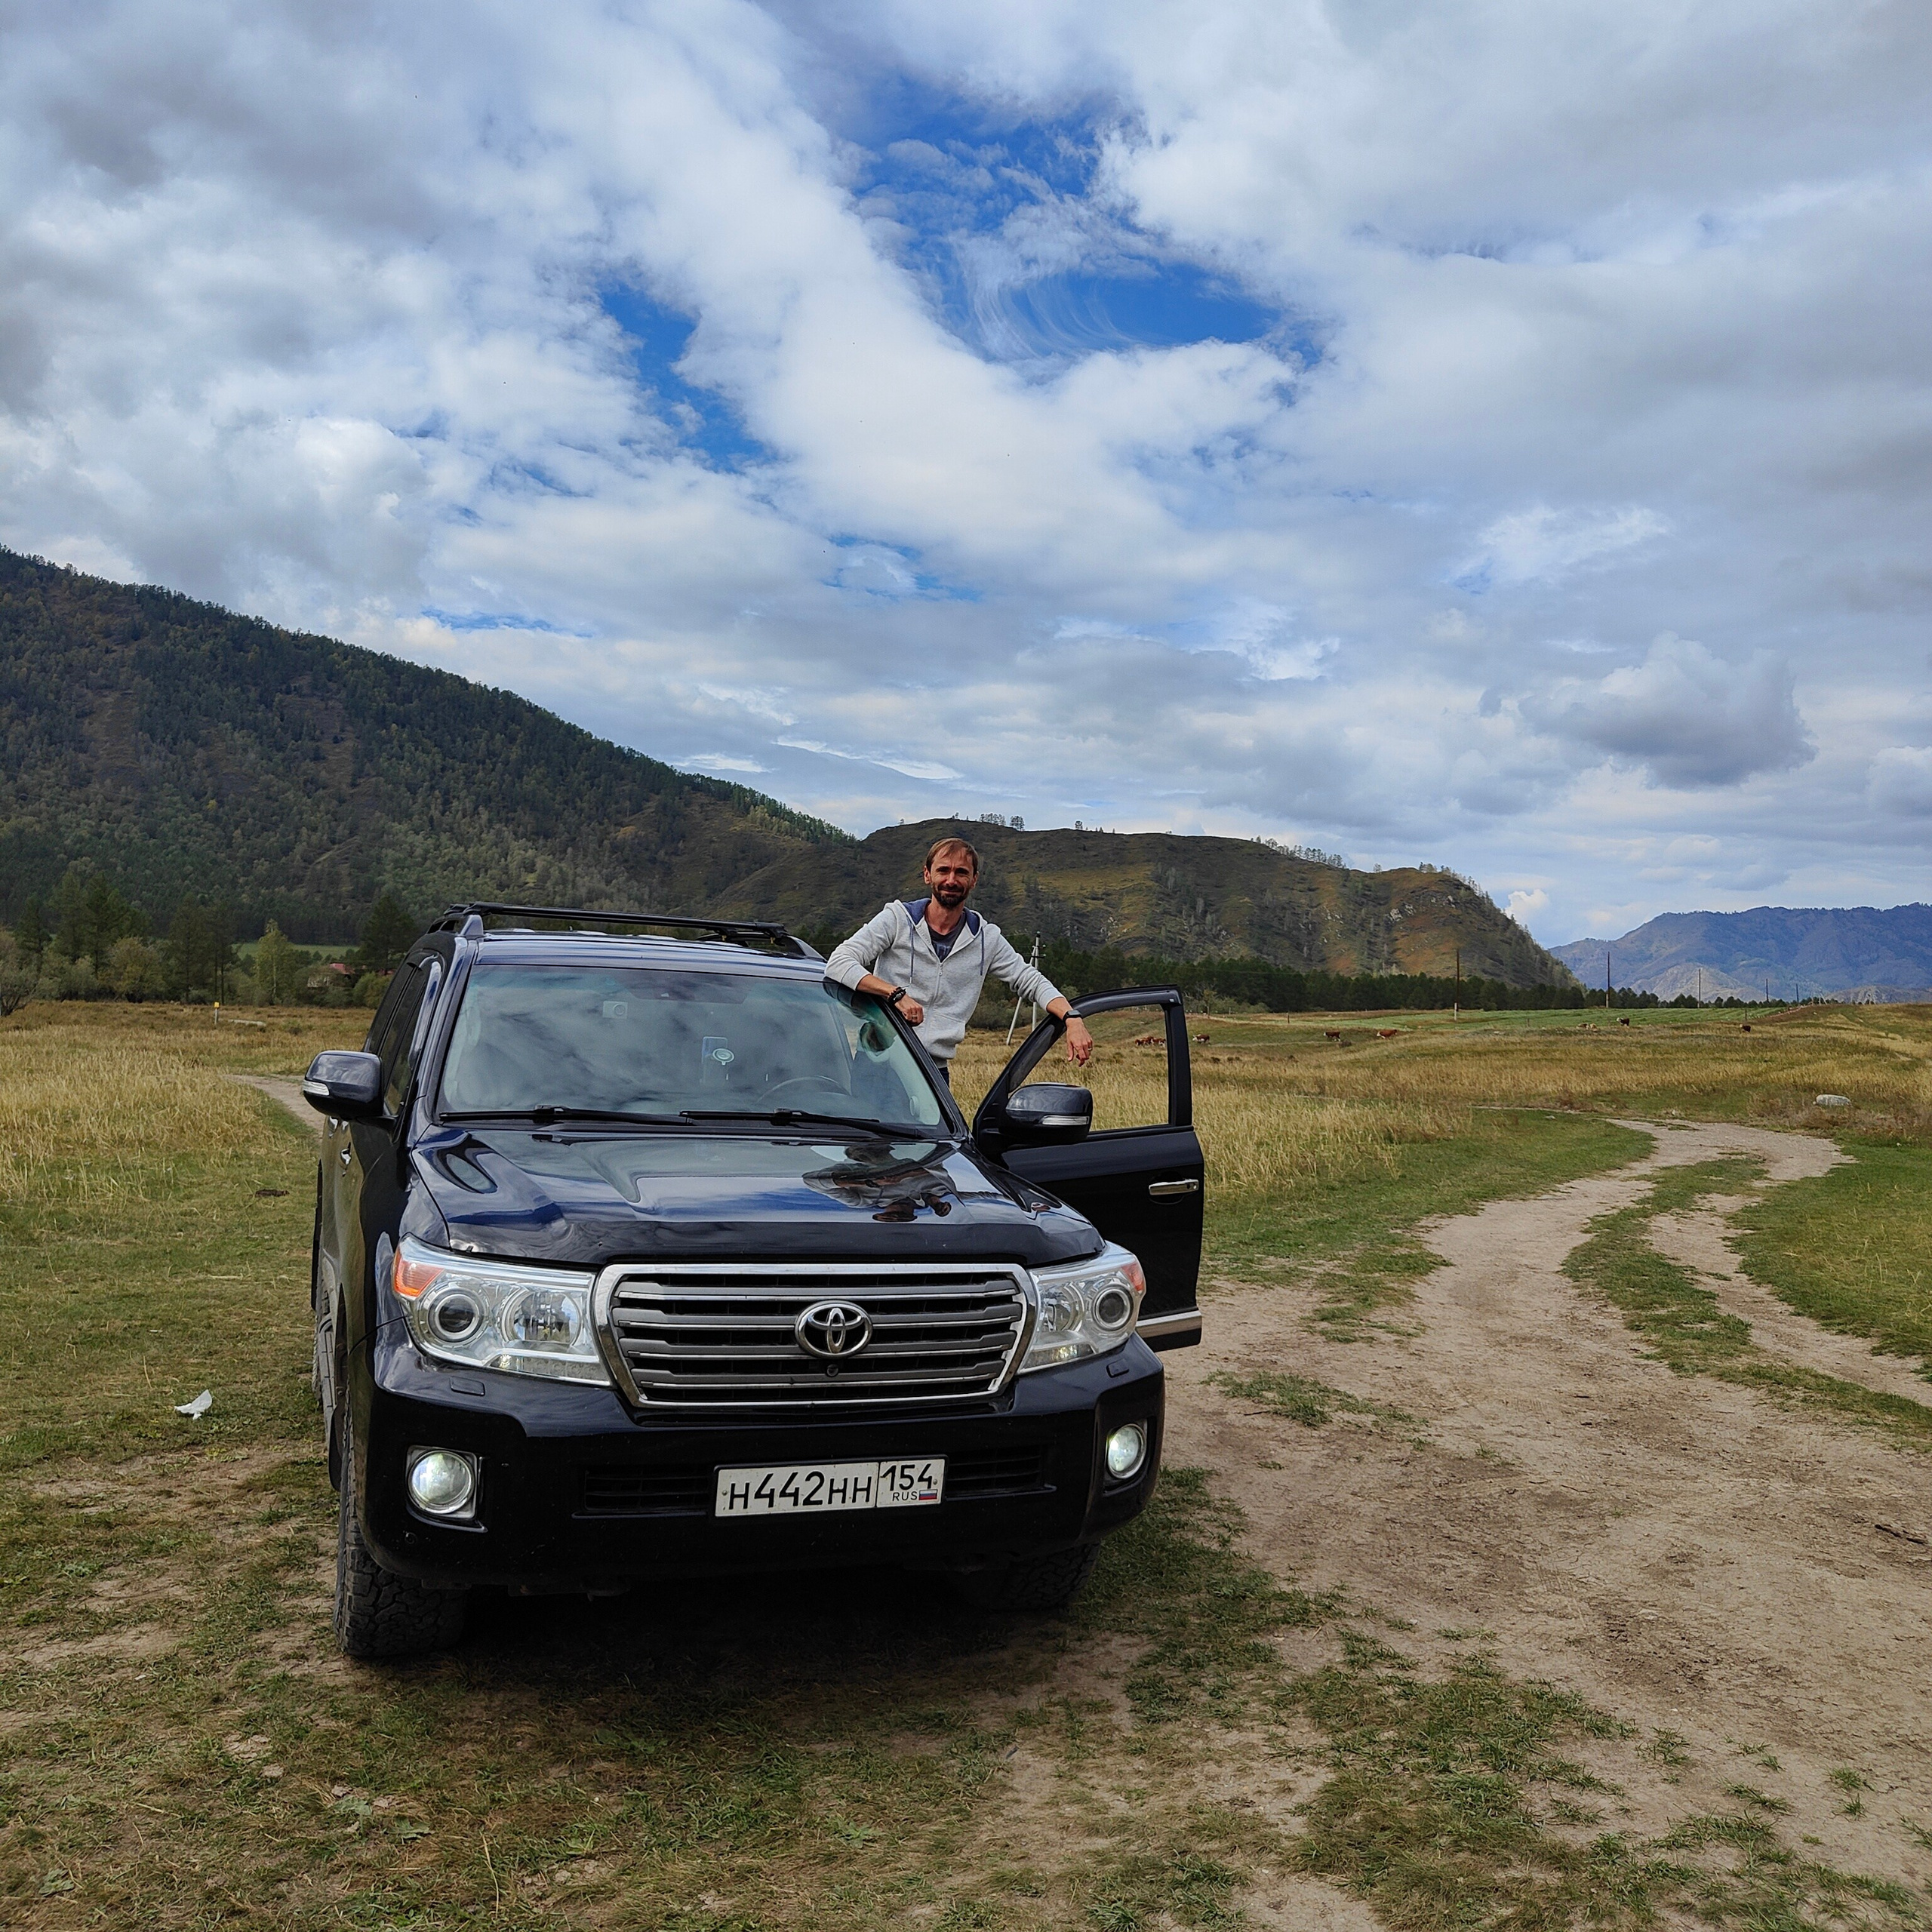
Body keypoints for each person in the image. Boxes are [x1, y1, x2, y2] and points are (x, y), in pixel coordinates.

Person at [825, 836, 1094, 1081]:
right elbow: (839, 962)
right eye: (943, 870)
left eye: (961, 872)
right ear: (928, 875)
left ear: (974, 880)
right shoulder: (896, 920)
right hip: (879, 1059)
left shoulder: (986, 938)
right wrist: (895, 994)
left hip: (933, 1073)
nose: (951, 880)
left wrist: (1072, 1018)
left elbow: (1030, 981)